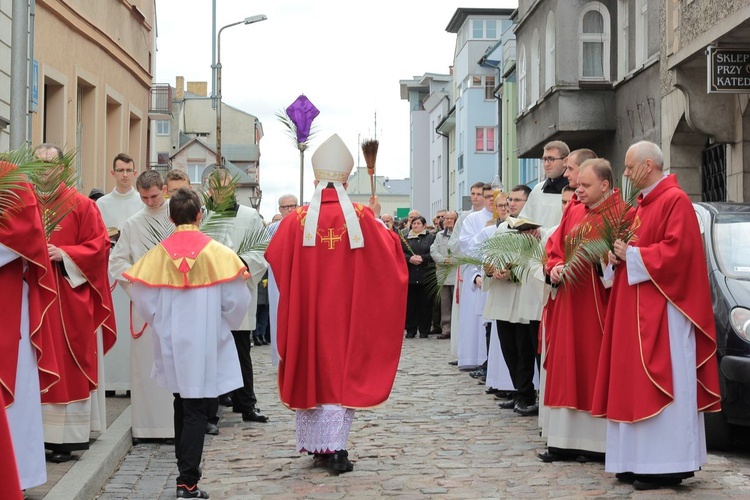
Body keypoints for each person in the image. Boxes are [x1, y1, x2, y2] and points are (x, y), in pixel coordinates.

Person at [265, 133, 408, 473]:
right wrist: (376, 220)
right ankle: (335, 448)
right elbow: (391, 256)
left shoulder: (295, 219)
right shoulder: (360, 216)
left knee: (315, 371)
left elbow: (275, 257)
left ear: (316, 180)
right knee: (340, 376)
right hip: (347, 316)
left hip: (309, 315)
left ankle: (322, 448)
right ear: (344, 181)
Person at [592, 141, 721, 491]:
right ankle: (633, 460)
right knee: (631, 384)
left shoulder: (674, 200)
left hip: (664, 310)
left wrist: (633, 254)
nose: (627, 173)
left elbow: (678, 253)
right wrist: (615, 256)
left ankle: (665, 464)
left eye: (630, 167)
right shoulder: (641, 205)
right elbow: (632, 249)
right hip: (634, 308)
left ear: (648, 165)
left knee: (661, 380)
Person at [124, 188, 250, 499]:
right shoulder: (218, 253)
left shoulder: (157, 254)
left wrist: (161, 321)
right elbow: (236, 300)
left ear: (169, 217)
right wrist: (222, 323)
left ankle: (185, 475)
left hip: (171, 340)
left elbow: (142, 296)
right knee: (196, 407)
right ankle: (187, 482)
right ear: (200, 215)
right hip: (205, 340)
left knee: (181, 401)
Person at [36, 143, 116, 463]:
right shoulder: (23, 203)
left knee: (67, 364)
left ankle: (65, 439)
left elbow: (99, 247)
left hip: (68, 297)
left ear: (63, 167)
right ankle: (35, 436)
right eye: (38, 165)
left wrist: (65, 254)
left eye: (50, 164)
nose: (44, 171)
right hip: (34, 296)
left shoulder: (81, 205)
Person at [539, 158, 617, 464]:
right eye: (577, 185)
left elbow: (621, 260)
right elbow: (554, 248)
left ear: (605, 185)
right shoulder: (573, 209)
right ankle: (563, 441)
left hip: (597, 306)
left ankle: (597, 444)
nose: (578, 191)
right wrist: (555, 267)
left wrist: (603, 260)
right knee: (565, 367)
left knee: (591, 369)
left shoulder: (620, 215)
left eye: (585, 186)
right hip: (568, 303)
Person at [0, 159, 59, 489]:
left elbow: (26, 235)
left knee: (13, 385)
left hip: (6, 296)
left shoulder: (10, 175)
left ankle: (16, 474)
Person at [109, 170, 175, 441]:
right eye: (144, 197)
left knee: (174, 364)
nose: (149, 201)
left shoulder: (178, 217)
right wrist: (139, 282)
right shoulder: (133, 224)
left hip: (176, 299)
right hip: (146, 301)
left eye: (154, 196)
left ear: (164, 190)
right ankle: (147, 427)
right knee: (146, 367)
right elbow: (117, 262)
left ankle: (175, 426)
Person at [204, 169, 269, 428]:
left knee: (241, 347)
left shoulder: (250, 216)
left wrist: (240, 263)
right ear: (210, 190)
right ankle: (212, 407)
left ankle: (246, 403)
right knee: (211, 349)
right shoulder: (204, 216)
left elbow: (261, 251)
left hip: (240, 287)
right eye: (216, 189)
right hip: (211, 291)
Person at [96, 153, 145, 396]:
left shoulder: (142, 203)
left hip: (136, 271)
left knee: (132, 326)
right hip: (109, 270)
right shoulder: (101, 204)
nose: (125, 175)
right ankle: (110, 381)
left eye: (129, 170)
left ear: (135, 173)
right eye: (120, 170)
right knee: (111, 320)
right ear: (112, 173)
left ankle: (129, 382)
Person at [455, 183, 494, 370]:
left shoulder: (505, 219)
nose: (490, 201)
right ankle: (473, 358)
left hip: (496, 274)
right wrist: (485, 232)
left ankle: (489, 362)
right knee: (474, 319)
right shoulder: (472, 219)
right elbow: (466, 245)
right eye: (487, 197)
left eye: (494, 197)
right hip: (475, 273)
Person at [402, 215, 436, 339]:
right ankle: (410, 330)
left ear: (424, 225)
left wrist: (423, 258)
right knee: (411, 306)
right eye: (414, 223)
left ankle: (424, 330)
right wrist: (409, 258)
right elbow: (401, 252)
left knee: (425, 305)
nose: (416, 226)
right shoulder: (405, 239)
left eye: (418, 224)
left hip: (426, 276)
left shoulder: (431, 237)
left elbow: (433, 253)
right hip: (410, 276)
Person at [430, 210, 457, 339]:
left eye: (451, 218)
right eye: (446, 218)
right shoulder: (440, 235)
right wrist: (443, 260)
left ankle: (457, 329)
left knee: (457, 304)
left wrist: (454, 260)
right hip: (443, 274)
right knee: (445, 305)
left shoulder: (460, 234)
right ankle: (446, 329)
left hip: (457, 273)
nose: (448, 221)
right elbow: (433, 250)